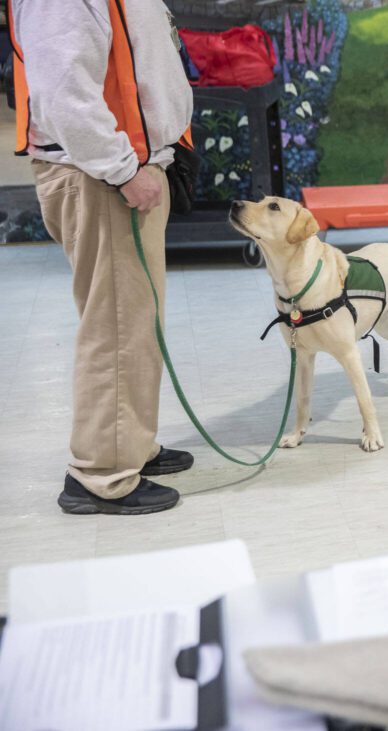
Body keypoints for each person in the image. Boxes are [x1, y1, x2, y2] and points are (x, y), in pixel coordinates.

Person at [9, 0, 194, 515]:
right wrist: (121, 169)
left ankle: (130, 445)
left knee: (134, 321)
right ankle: (101, 474)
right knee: (115, 327)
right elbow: (63, 89)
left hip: (126, 170)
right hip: (102, 178)